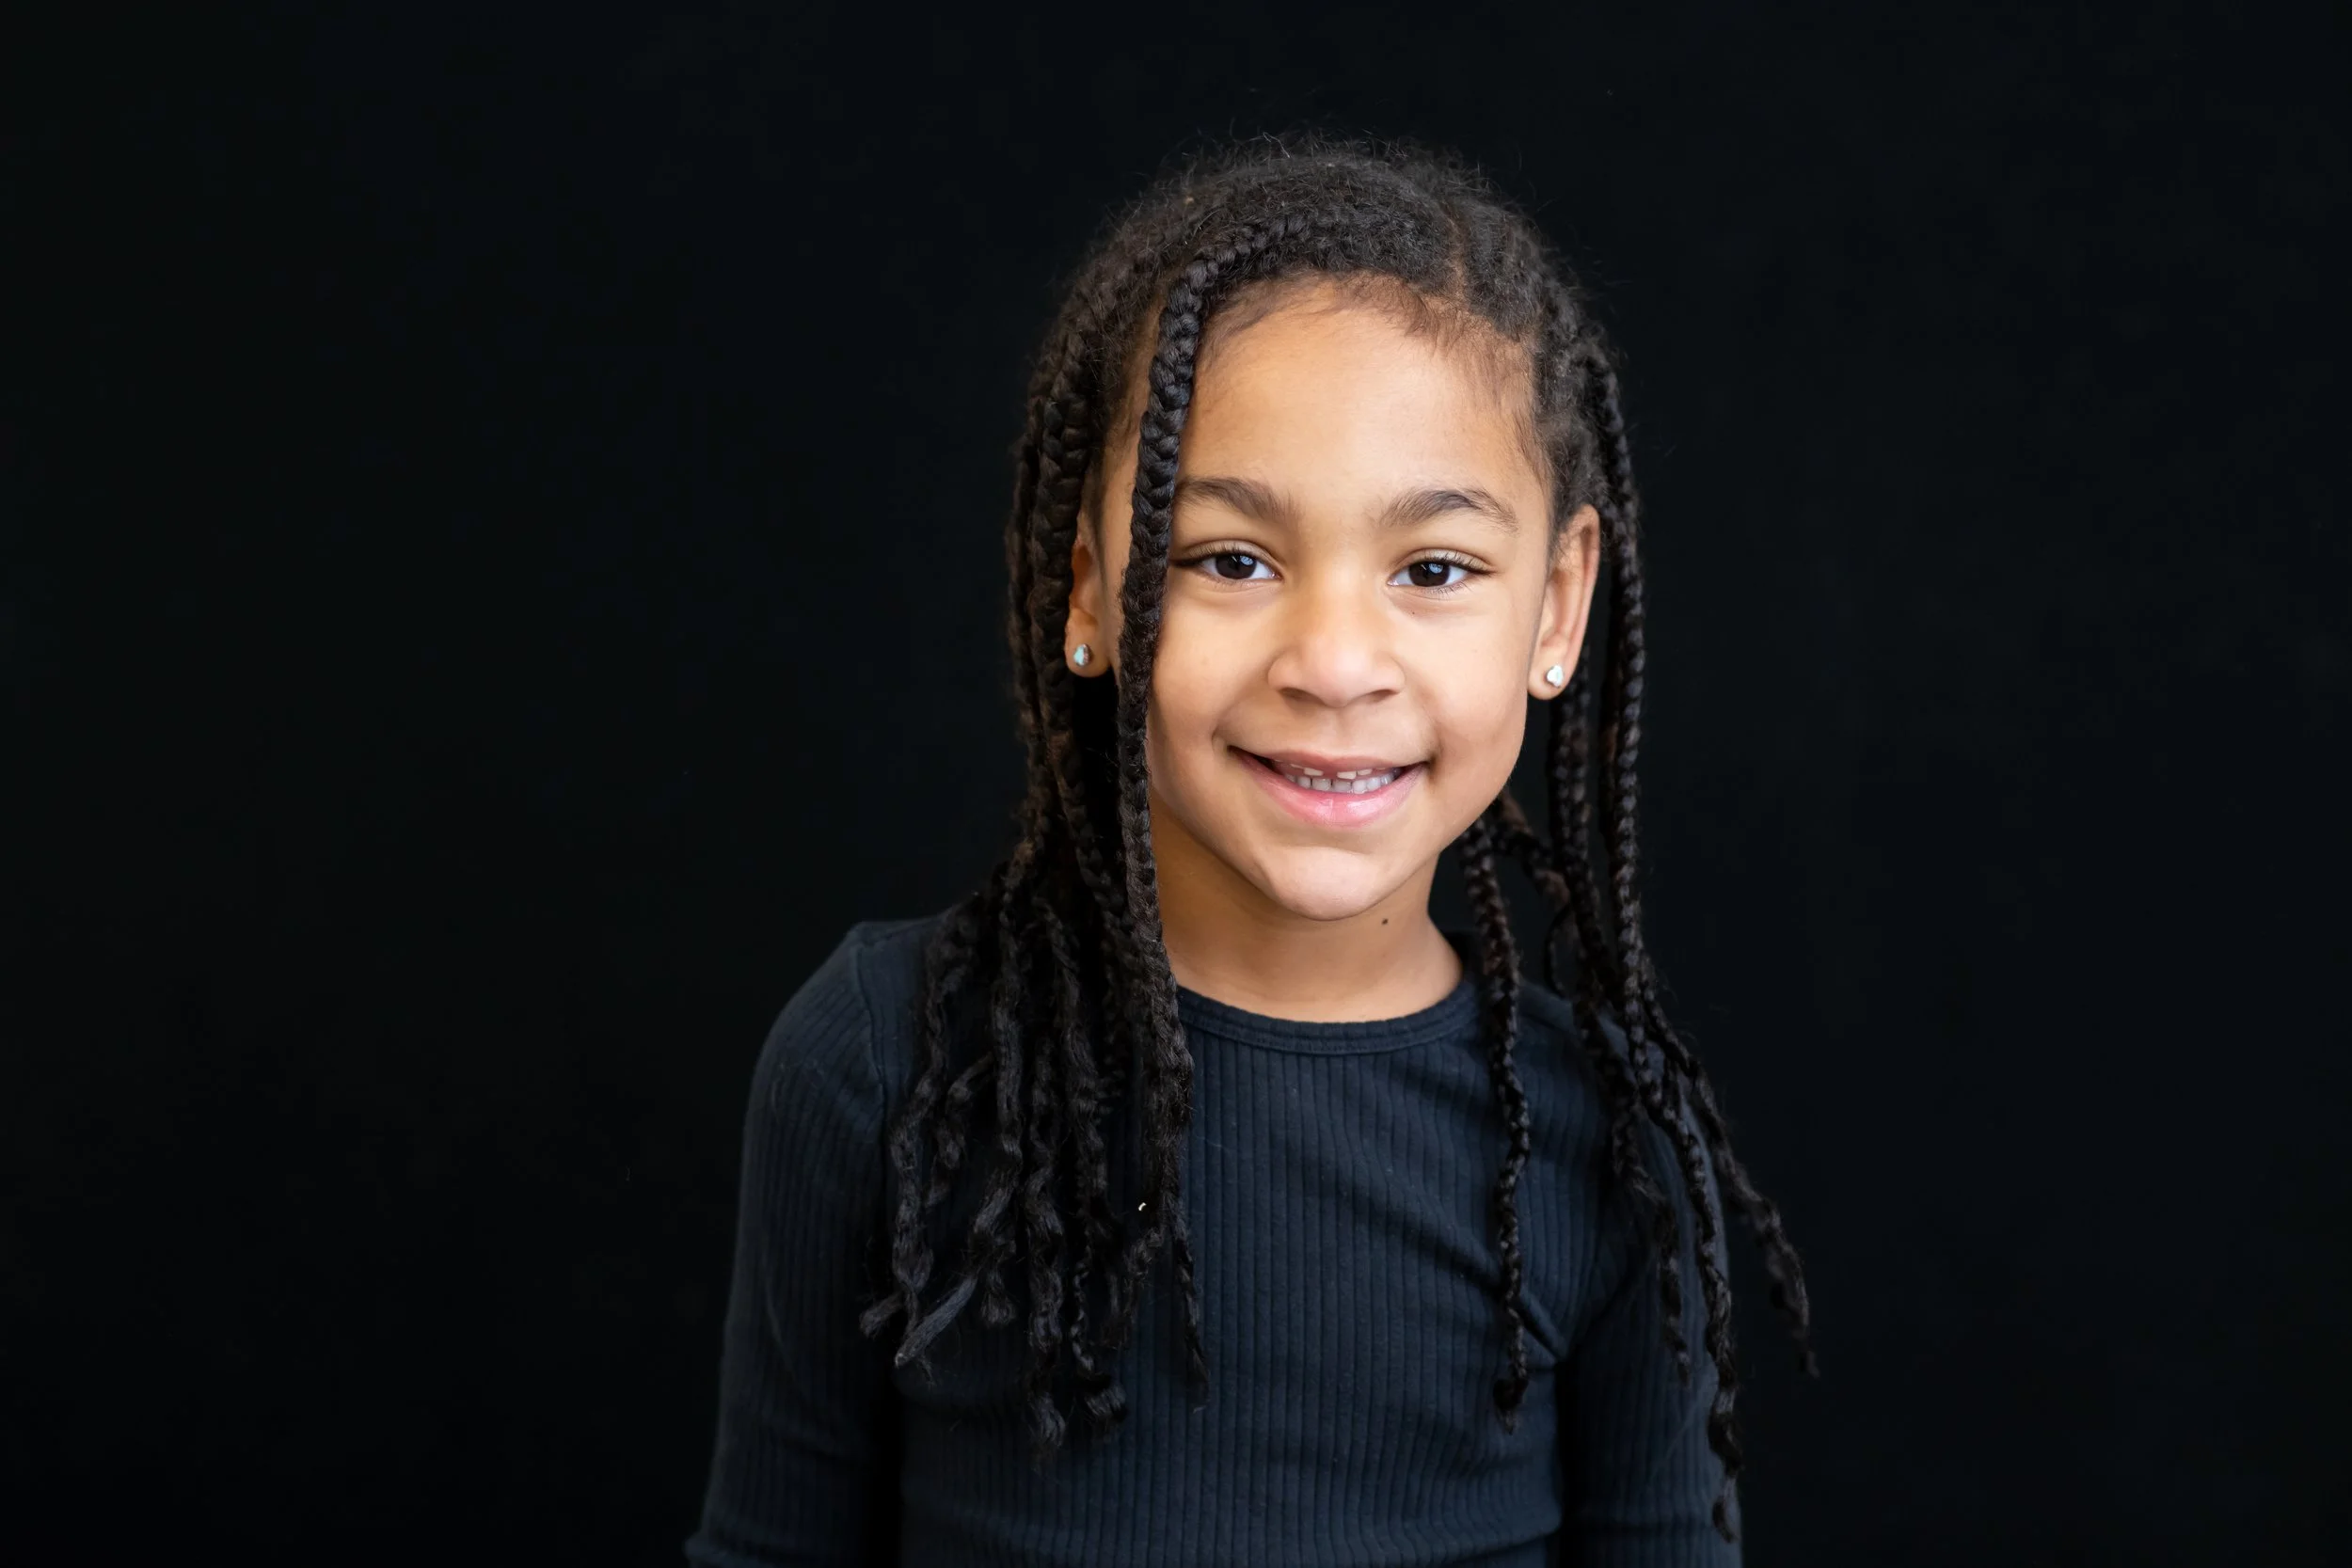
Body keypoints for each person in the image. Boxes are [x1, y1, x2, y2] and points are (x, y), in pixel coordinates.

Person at [685, 135, 1817, 1568]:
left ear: (1558, 605)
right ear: (1088, 590)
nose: (1335, 661)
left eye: (1434, 570)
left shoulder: (1610, 1149)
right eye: (1230, 558)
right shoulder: (880, 1064)